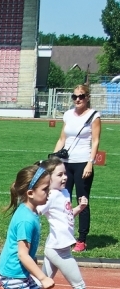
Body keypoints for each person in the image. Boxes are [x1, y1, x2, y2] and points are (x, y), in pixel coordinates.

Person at [39, 157, 111, 289]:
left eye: (65, 174)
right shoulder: (50, 196)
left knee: (40, 284)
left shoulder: (64, 192)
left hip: (57, 247)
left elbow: (67, 216)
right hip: (58, 249)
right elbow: (34, 210)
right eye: (59, 175)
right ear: (48, 177)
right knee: (79, 286)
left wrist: (80, 207)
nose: (65, 177)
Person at [52, 83, 101, 251]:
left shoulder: (94, 116)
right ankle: (65, 235)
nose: (78, 99)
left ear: (87, 97)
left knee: (82, 200)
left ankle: (82, 239)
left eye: (81, 96)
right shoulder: (67, 115)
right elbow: (62, 139)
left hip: (82, 162)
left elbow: (95, 141)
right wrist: (54, 159)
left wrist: (90, 163)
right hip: (66, 163)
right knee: (63, 199)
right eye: (75, 96)